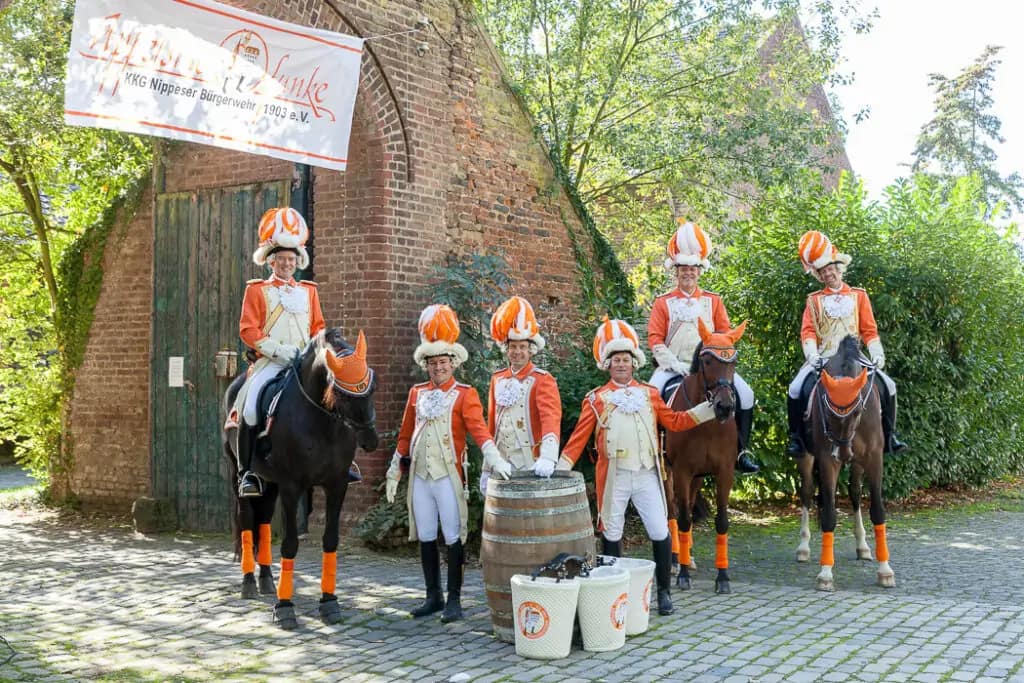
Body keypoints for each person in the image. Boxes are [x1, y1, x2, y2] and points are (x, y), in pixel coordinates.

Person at [558, 317, 717, 616]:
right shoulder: (596, 399)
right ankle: (615, 597)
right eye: (616, 360)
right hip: (615, 476)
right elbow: (578, 439)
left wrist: (706, 410)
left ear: (634, 364)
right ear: (608, 364)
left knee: (659, 530)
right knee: (613, 533)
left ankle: (664, 593)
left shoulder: (650, 394)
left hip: (646, 474)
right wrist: (560, 467)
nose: (621, 365)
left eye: (626, 360)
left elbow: (674, 421)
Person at [385, 304, 513, 623]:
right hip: (420, 477)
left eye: (443, 362)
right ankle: (433, 597)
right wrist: (394, 469)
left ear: (452, 363)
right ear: (426, 365)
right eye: (433, 363)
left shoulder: (465, 394)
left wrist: (494, 458)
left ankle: (455, 599)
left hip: (447, 475)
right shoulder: (416, 393)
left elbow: (479, 430)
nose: (438, 368)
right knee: (427, 534)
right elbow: (404, 436)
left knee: (453, 535)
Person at [647, 219, 760, 475]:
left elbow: (726, 334)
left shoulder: (714, 300)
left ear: (700, 271)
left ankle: (741, 450)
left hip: (711, 367)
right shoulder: (663, 302)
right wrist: (671, 361)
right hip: (672, 366)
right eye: (683, 269)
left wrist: (720, 357)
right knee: (650, 397)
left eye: (693, 269)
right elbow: (654, 337)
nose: (688, 273)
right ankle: (655, 452)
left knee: (747, 393)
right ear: (676, 271)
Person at [229, 207, 324, 498]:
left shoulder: (309, 291)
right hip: (271, 363)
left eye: (291, 259)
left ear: (298, 261)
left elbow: (318, 326)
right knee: (249, 405)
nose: (286, 263)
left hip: (302, 364)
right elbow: (249, 329)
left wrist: (314, 352)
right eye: (281, 258)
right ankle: (247, 473)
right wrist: (278, 350)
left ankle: (338, 462)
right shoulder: (257, 290)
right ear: (271, 261)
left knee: (333, 400)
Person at [786, 230, 907, 457]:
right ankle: (797, 439)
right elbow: (808, 331)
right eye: (823, 272)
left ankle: (890, 436)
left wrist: (876, 353)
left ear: (838, 268)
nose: (828, 274)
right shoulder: (813, 300)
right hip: (823, 355)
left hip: (854, 357)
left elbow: (869, 330)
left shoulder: (859, 295)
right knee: (794, 389)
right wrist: (812, 354)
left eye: (831, 269)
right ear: (819, 276)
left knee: (889, 386)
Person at [483, 296, 562, 489]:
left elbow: (550, 419)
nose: (517, 351)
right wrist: (486, 468)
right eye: (513, 347)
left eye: (522, 347)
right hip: (501, 463)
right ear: (506, 349)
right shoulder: (497, 378)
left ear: (531, 350)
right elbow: (492, 426)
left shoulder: (542, 379)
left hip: (531, 461)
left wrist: (548, 457)